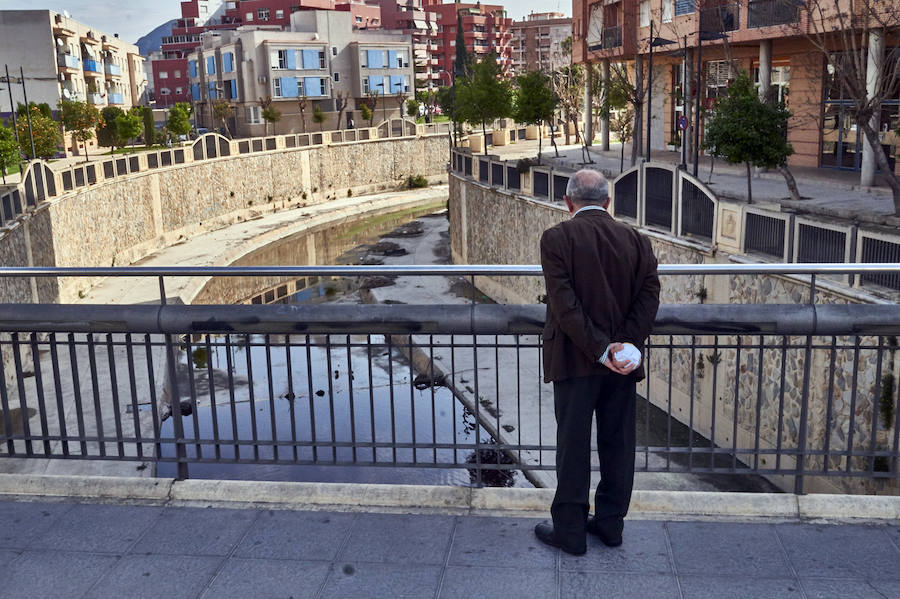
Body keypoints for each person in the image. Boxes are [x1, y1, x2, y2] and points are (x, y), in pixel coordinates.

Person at [534, 168, 660, 556]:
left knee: (572, 446)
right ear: (608, 203)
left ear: (568, 202)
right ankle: (610, 525)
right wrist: (622, 347)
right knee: (618, 444)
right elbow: (649, 295)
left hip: (574, 361)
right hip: (621, 365)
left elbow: (564, 305)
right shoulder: (637, 241)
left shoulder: (556, 239)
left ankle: (570, 530)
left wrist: (600, 349)